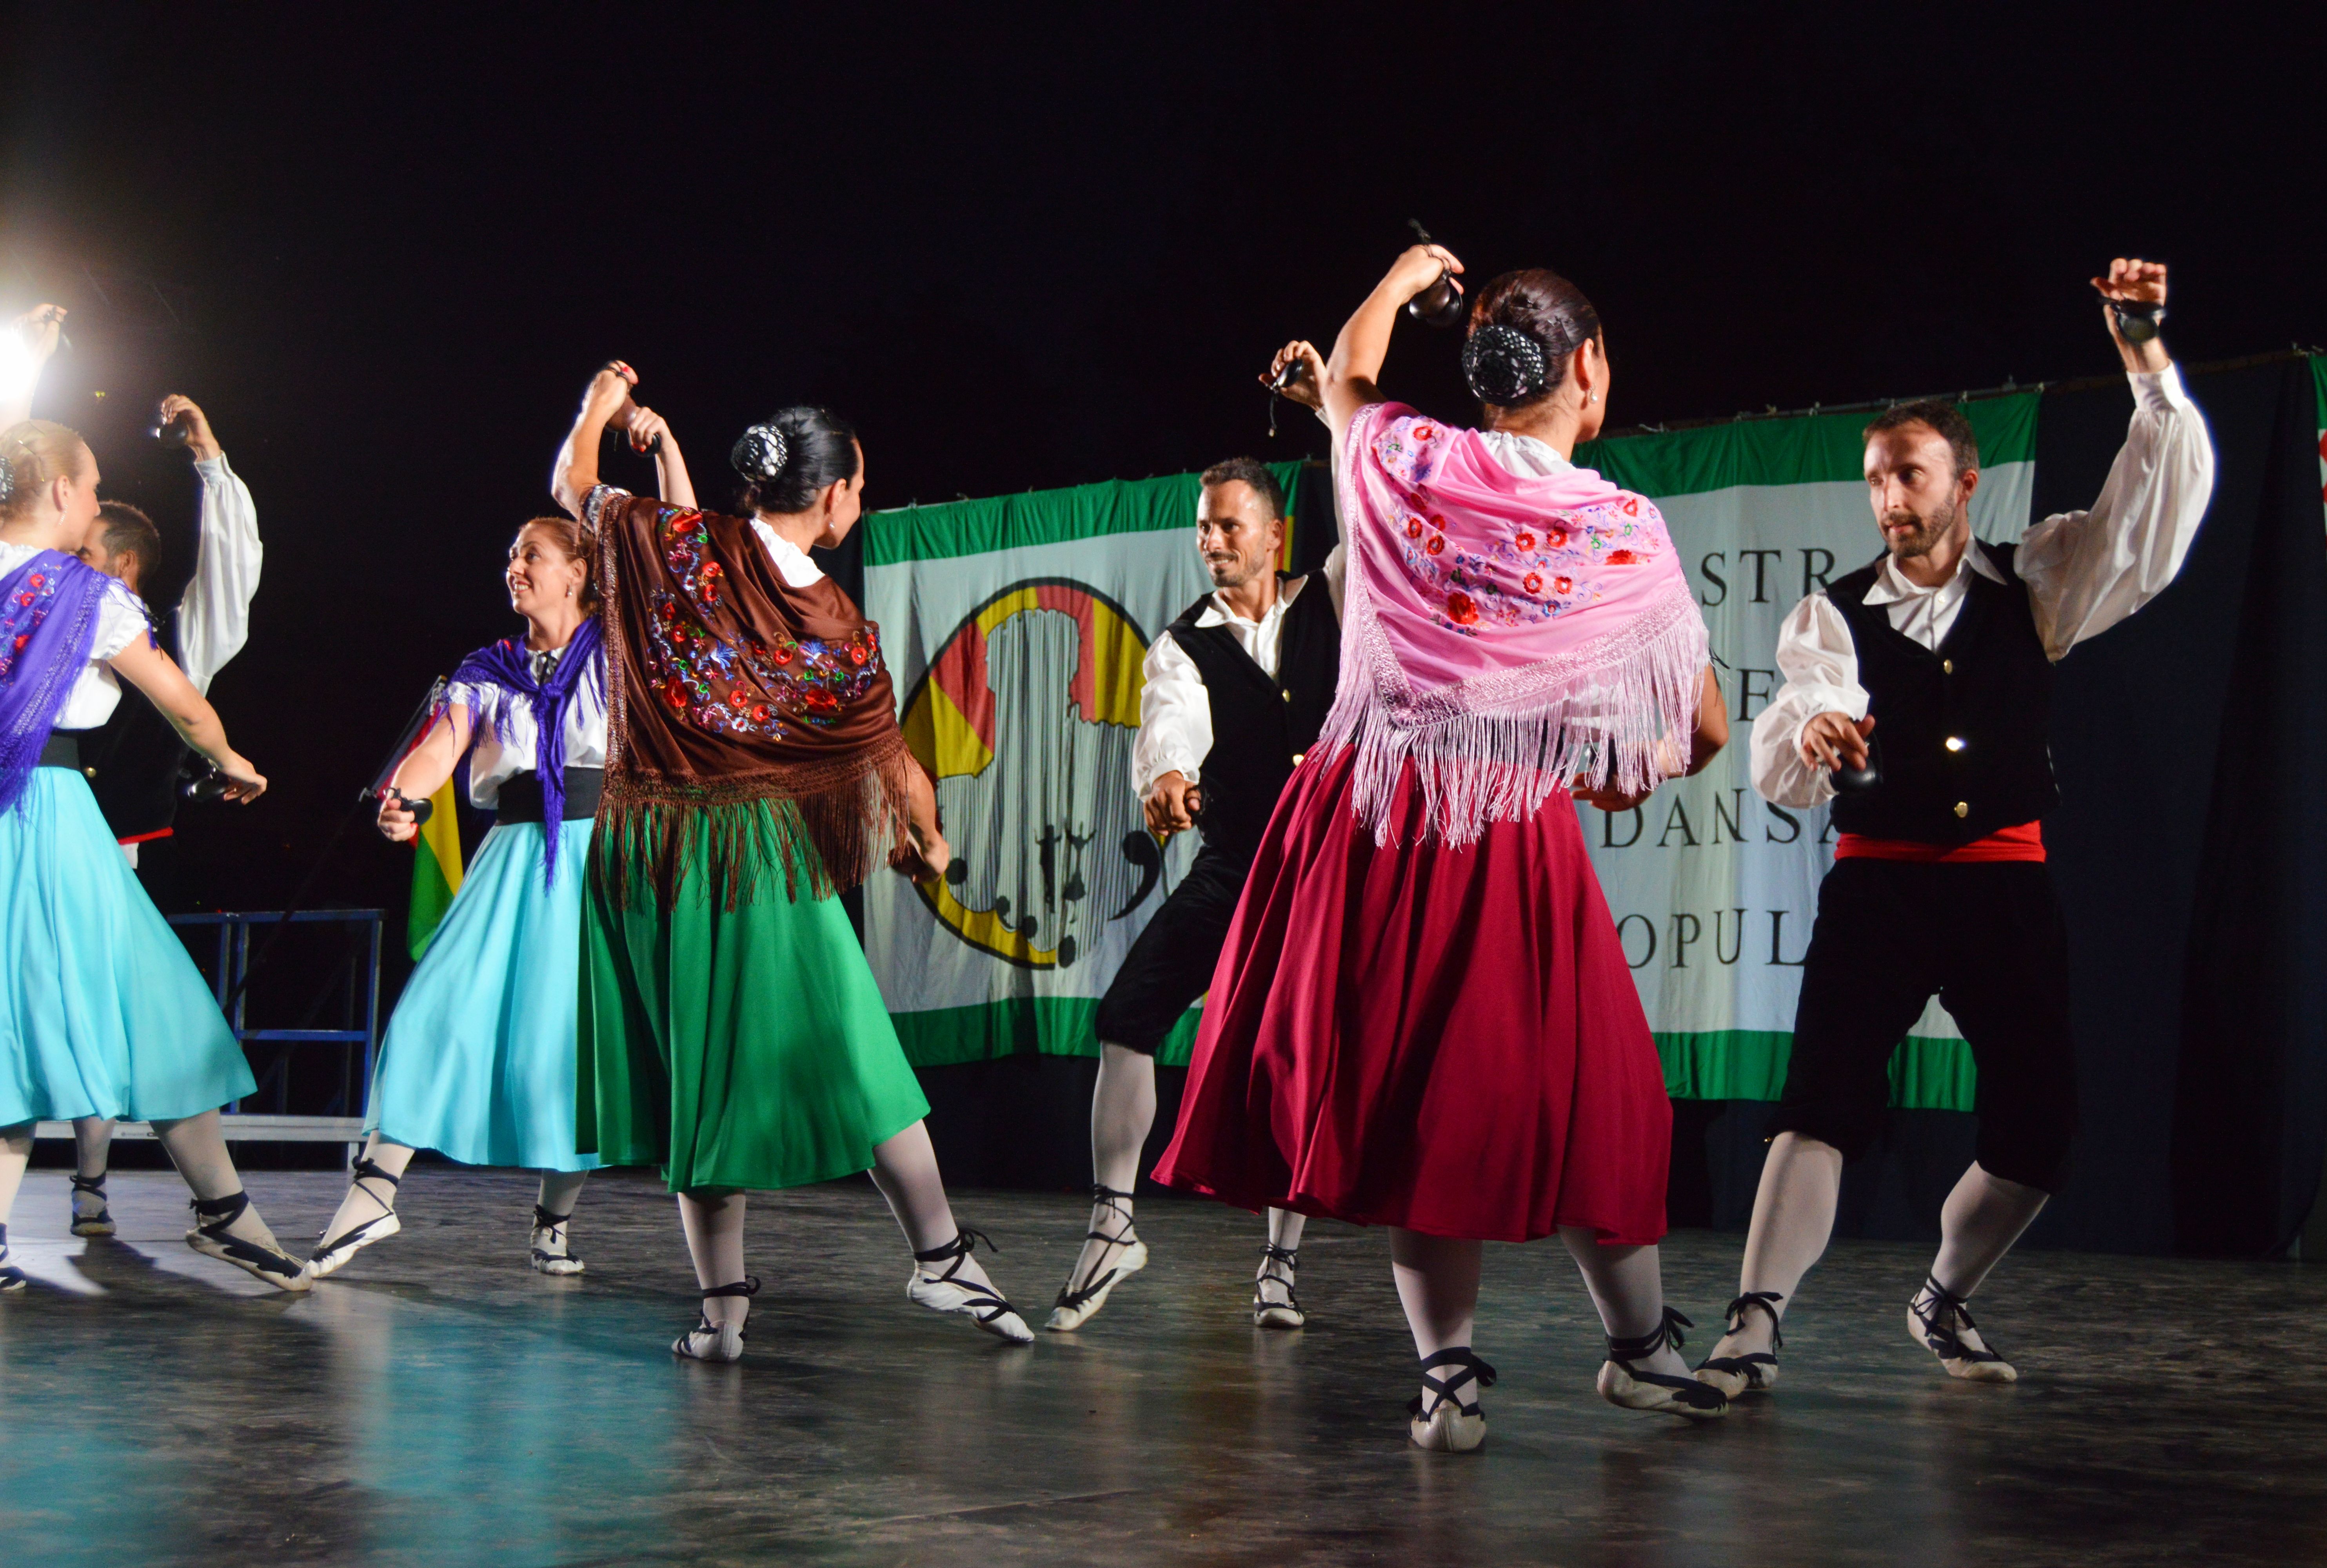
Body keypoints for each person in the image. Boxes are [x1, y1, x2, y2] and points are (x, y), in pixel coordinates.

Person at [1154, 248, 1731, 1449]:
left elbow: (1352, 367)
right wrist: (1613, 769)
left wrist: (1403, 269)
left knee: (1428, 1103)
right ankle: (1633, 1347)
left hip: (1366, 821)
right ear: (1589, 368)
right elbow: (1702, 729)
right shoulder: (1616, 526)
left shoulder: (1400, 455)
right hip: (1496, 827)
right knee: (1598, 1097)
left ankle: (1453, 1378)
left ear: (1480, 382)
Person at [1698, 259, 2214, 1397]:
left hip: (2003, 886)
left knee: (2044, 1131)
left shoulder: (2039, 583)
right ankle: (1753, 1323)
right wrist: (1820, 735)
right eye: (1878, 478)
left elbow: (2154, 516)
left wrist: (2142, 357)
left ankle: (1944, 1295)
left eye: (1913, 475)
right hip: (1879, 886)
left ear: (1966, 482)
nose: (1891, 498)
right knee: (1822, 1098)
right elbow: (1790, 733)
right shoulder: (1831, 613)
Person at [553, 361, 1031, 1360]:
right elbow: (892, 761)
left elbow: (572, 483)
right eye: (859, 483)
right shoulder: (838, 630)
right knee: (860, 1052)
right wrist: (929, 841)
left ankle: (722, 1315)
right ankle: (937, 1256)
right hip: (755, 852)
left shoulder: (682, 545)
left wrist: (600, 402)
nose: (861, 497)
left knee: (704, 1078)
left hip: (651, 853)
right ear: (830, 495)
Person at [309, 407, 684, 1279]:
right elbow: (446, 738)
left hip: (605, 856)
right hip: (513, 859)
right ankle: (372, 1197)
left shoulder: (621, 651)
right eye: (510, 557)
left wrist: (654, 443)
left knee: (576, 1041)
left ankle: (553, 1220)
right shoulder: (488, 667)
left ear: (581, 574)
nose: (513, 567)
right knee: (432, 1012)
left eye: (531, 555)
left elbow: (674, 560)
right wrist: (403, 791)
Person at [0, 417, 307, 1293]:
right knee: (156, 1008)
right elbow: (183, 701)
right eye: (92, 486)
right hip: (44, 817)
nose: (96, 500)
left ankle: (221, 1213)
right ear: (60, 492)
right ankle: (224, 1214)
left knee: (17, 1026)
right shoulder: (82, 593)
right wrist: (234, 762)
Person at [1048, 454, 1335, 1334]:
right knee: (1126, 1014)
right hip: (1235, 867)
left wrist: (1328, 398)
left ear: (1274, 533)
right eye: (1203, 527)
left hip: (1327, 877)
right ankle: (1112, 1223)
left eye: (1229, 525)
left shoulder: (1335, 594)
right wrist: (1168, 774)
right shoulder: (1183, 642)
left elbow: (1366, 497)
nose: (1211, 541)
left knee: (1296, 1061)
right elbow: (1170, 721)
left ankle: (1280, 1264)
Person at [60, 394, 265, 1243]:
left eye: (81, 553)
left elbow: (231, 569)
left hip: (117, 851)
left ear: (123, 571)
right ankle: (106, 1182)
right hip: (37, 836)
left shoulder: (174, 633)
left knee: (119, 1010)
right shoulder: (42, 620)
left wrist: (209, 460)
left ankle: (101, 1179)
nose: (63, 563)